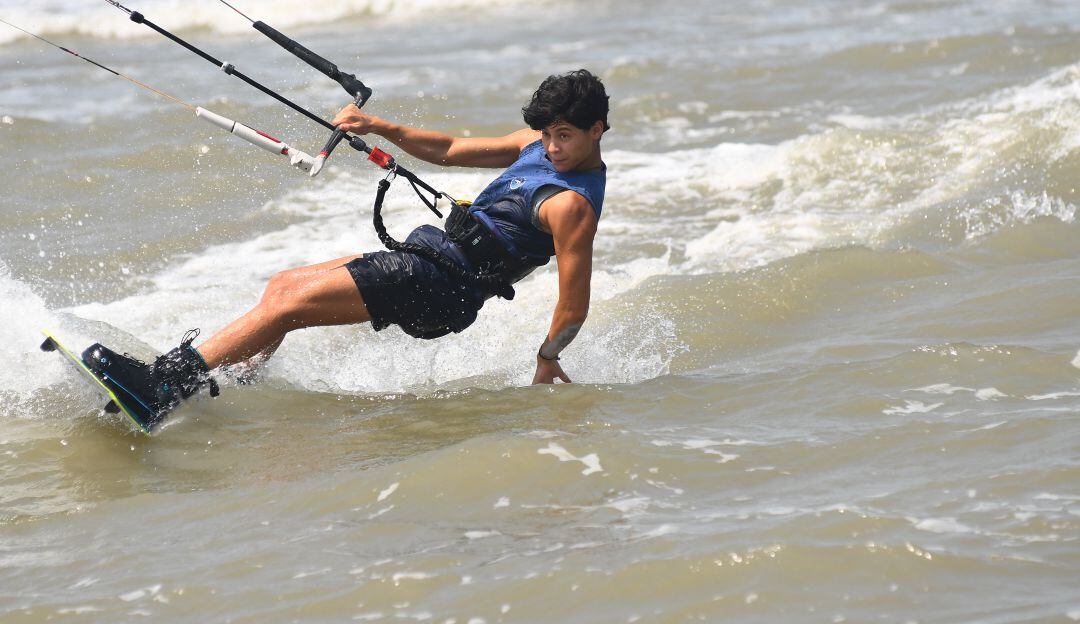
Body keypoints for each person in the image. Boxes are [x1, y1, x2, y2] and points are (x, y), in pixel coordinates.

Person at [82, 69, 610, 429]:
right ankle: (220, 384)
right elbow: (449, 150)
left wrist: (547, 358)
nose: (552, 146)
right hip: (430, 261)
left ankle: (161, 388)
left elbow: (573, 302)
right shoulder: (536, 145)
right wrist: (375, 125)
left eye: (564, 135)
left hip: (442, 286)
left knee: (288, 308)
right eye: (546, 133)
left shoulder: (572, 207)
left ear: (597, 129)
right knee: (283, 287)